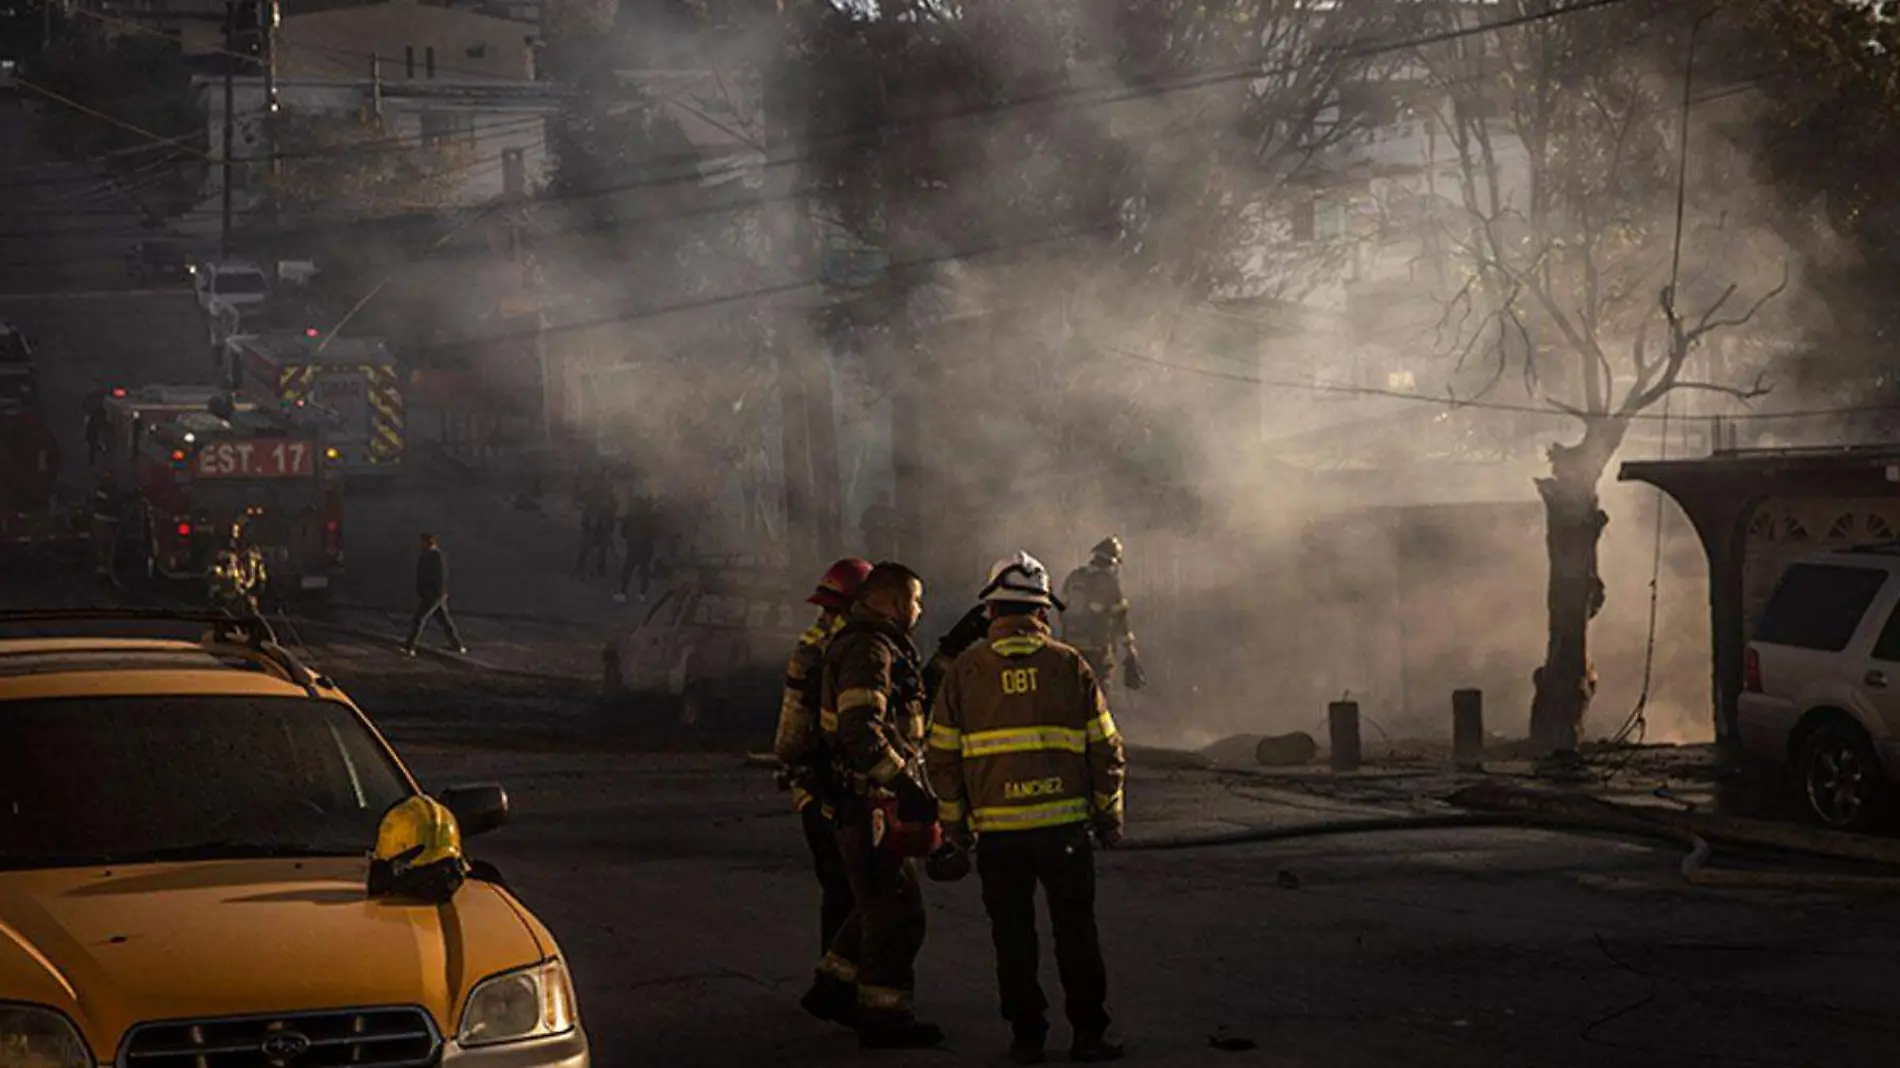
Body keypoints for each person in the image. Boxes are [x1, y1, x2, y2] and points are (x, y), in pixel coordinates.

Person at [927, 551, 1128, 1064]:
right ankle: (1087, 1035)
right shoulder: (1070, 666)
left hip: (998, 837)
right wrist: (1108, 816)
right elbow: (1107, 750)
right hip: (1065, 832)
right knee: (1076, 932)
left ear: (991, 611)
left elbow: (942, 758)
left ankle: (1026, 1038)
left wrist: (955, 828)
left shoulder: (964, 672)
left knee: (1013, 938)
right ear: (1043, 612)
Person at [819, 561, 944, 1050]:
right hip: (871, 804)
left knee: (875, 905)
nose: (920, 608)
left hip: (862, 803)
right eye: (915, 599)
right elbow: (860, 730)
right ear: (892, 601)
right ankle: (885, 1017)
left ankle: (832, 985)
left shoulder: (873, 644)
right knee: (899, 913)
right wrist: (903, 783)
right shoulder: (870, 650)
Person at [774, 557, 874, 1027]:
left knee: (837, 891)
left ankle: (840, 988)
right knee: (861, 895)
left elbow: (791, 735)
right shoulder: (855, 651)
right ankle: (844, 989)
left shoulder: (809, 646)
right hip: (845, 790)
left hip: (812, 790)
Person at [1059, 536, 1146, 692]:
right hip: (1097, 651)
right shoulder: (1108, 582)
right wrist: (1130, 652)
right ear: (1112, 562)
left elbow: (1061, 612)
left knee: (1073, 694)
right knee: (1097, 695)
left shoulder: (1074, 577)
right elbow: (1121, 620)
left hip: (1070, 650)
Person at [402, 532, 467, 656]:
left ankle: (409, 647)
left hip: (433, 595)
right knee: (445, 621)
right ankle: (458, 646)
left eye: (424, 542)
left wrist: (436, 593)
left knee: (419, 619)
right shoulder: (426, 555)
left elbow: (440, 576)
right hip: (434, 594)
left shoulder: (436, 556)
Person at [613, 490, 662, 604]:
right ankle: (642, 594)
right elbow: (655, 533)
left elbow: (624, 532)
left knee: (628, 569)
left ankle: (623, 592)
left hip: (634, 545)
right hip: (646, 546)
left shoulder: (632, 516)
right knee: (644, 570)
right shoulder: (650, 516)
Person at [860, 492, 900, 561]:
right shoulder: (870, 512)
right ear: (877, 500)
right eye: (881, 500)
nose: (883, 503)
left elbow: (899, 523)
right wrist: (875, 525)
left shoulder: (890, 512)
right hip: (874, 544)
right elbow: (862, 525)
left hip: (888, 545)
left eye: (885, 501)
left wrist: (894, 527)